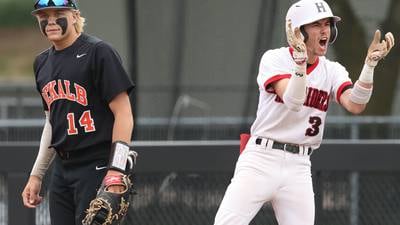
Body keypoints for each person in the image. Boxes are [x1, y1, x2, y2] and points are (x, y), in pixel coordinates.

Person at [214, 0, 394, 225]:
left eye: (328, 24)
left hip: (299, 165)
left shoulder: (331, 70)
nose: (325, 30)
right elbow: (293, 101)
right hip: (261, 158)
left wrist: (369, 67)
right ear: (298, 31)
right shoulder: (274, 58)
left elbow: (355, 104)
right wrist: (299, 65)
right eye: (317, 25)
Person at [21, 0, 136, 224]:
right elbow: (52, 123)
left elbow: (124, 113)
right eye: (44, 16)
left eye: (58, 13)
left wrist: (116, 169)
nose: (51, 21)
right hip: (62, 170)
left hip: (98, 164)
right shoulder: (42, 62)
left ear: (75, 16)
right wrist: (37, 175)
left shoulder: (98, 52)